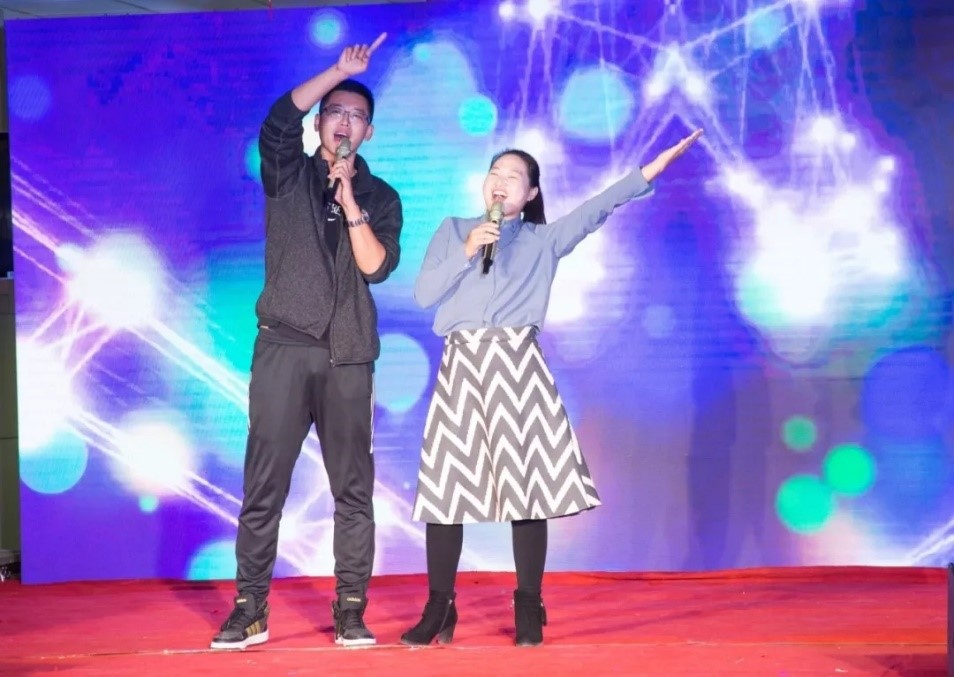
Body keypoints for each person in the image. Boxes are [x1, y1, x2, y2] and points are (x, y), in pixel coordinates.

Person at [401, 130, 703, 647]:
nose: (501, 183)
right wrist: (469, 250)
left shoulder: (544, 240)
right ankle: (439, 606)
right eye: (495, 174)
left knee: (525, 488)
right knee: (447, 491)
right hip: (463, 365)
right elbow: (426, 293)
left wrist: (649, 171)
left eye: (513, 177)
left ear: (531, 193)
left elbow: (597, 208)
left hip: (517, 366)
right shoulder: (454, 230)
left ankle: (528, 603)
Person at [211, 33, 403, 650]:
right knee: (264, 486)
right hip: (283, 347)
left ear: (369, 132)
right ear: (319, 122)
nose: (345, 122)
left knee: (353, 490)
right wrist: (337, 71)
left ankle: (350, 608)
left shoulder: (381, 196)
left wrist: (350, 200)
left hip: (348, 354)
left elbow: (376, 267)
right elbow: (276, 121)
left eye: (357, 116)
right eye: (335, 111)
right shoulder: (287, 173)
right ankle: (250, 607)